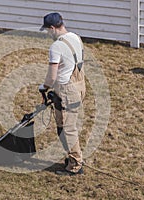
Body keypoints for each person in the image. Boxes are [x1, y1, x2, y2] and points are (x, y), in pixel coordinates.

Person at [39, 13, 86, 175]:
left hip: (67, 90)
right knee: (62, 124)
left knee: (68, 128)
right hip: (79, 85)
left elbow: (52, 76)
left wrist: (44, 87)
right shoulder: (75, 37)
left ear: (52, 28)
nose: (47, 34)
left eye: (47, 30)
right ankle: (72, 156)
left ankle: (75, 165)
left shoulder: (56, 46)